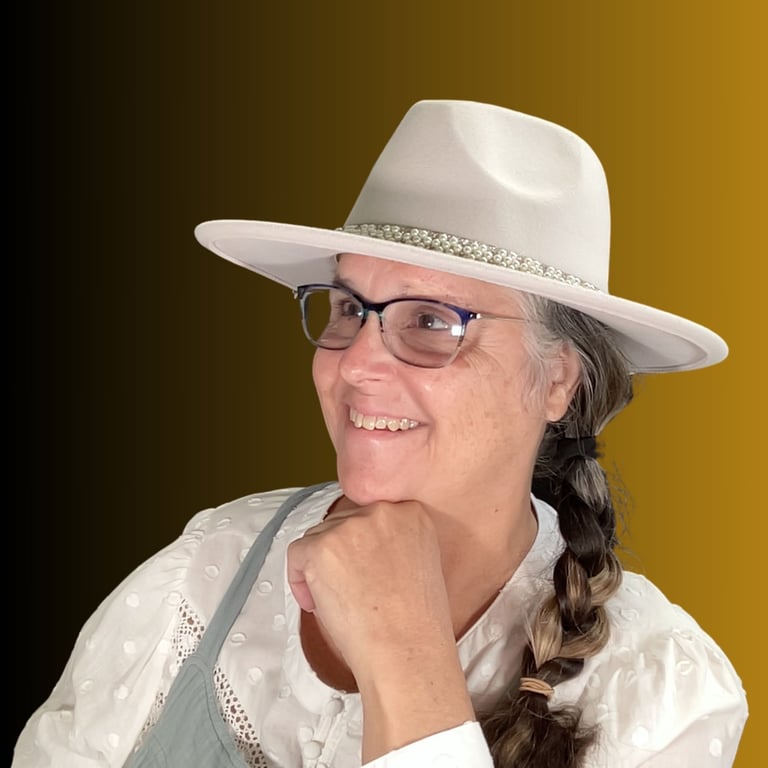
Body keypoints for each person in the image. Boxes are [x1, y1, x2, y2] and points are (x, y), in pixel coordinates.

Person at [13, 99, 748, 768]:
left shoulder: (661, 696)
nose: (355, 363)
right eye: (346, 308)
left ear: (558, 381)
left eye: (431, 320)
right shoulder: (204, 571)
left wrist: (405, 659)